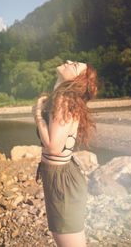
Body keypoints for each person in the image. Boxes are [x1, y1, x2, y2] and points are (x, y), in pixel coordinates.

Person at [32, 60, 98, 247]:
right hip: (62, 177)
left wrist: (37, 113)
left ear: (78, 80)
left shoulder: (64, 99)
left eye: (75, 65)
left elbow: (53, 147)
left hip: (62, 180)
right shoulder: (64, 98)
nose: (69, 61)